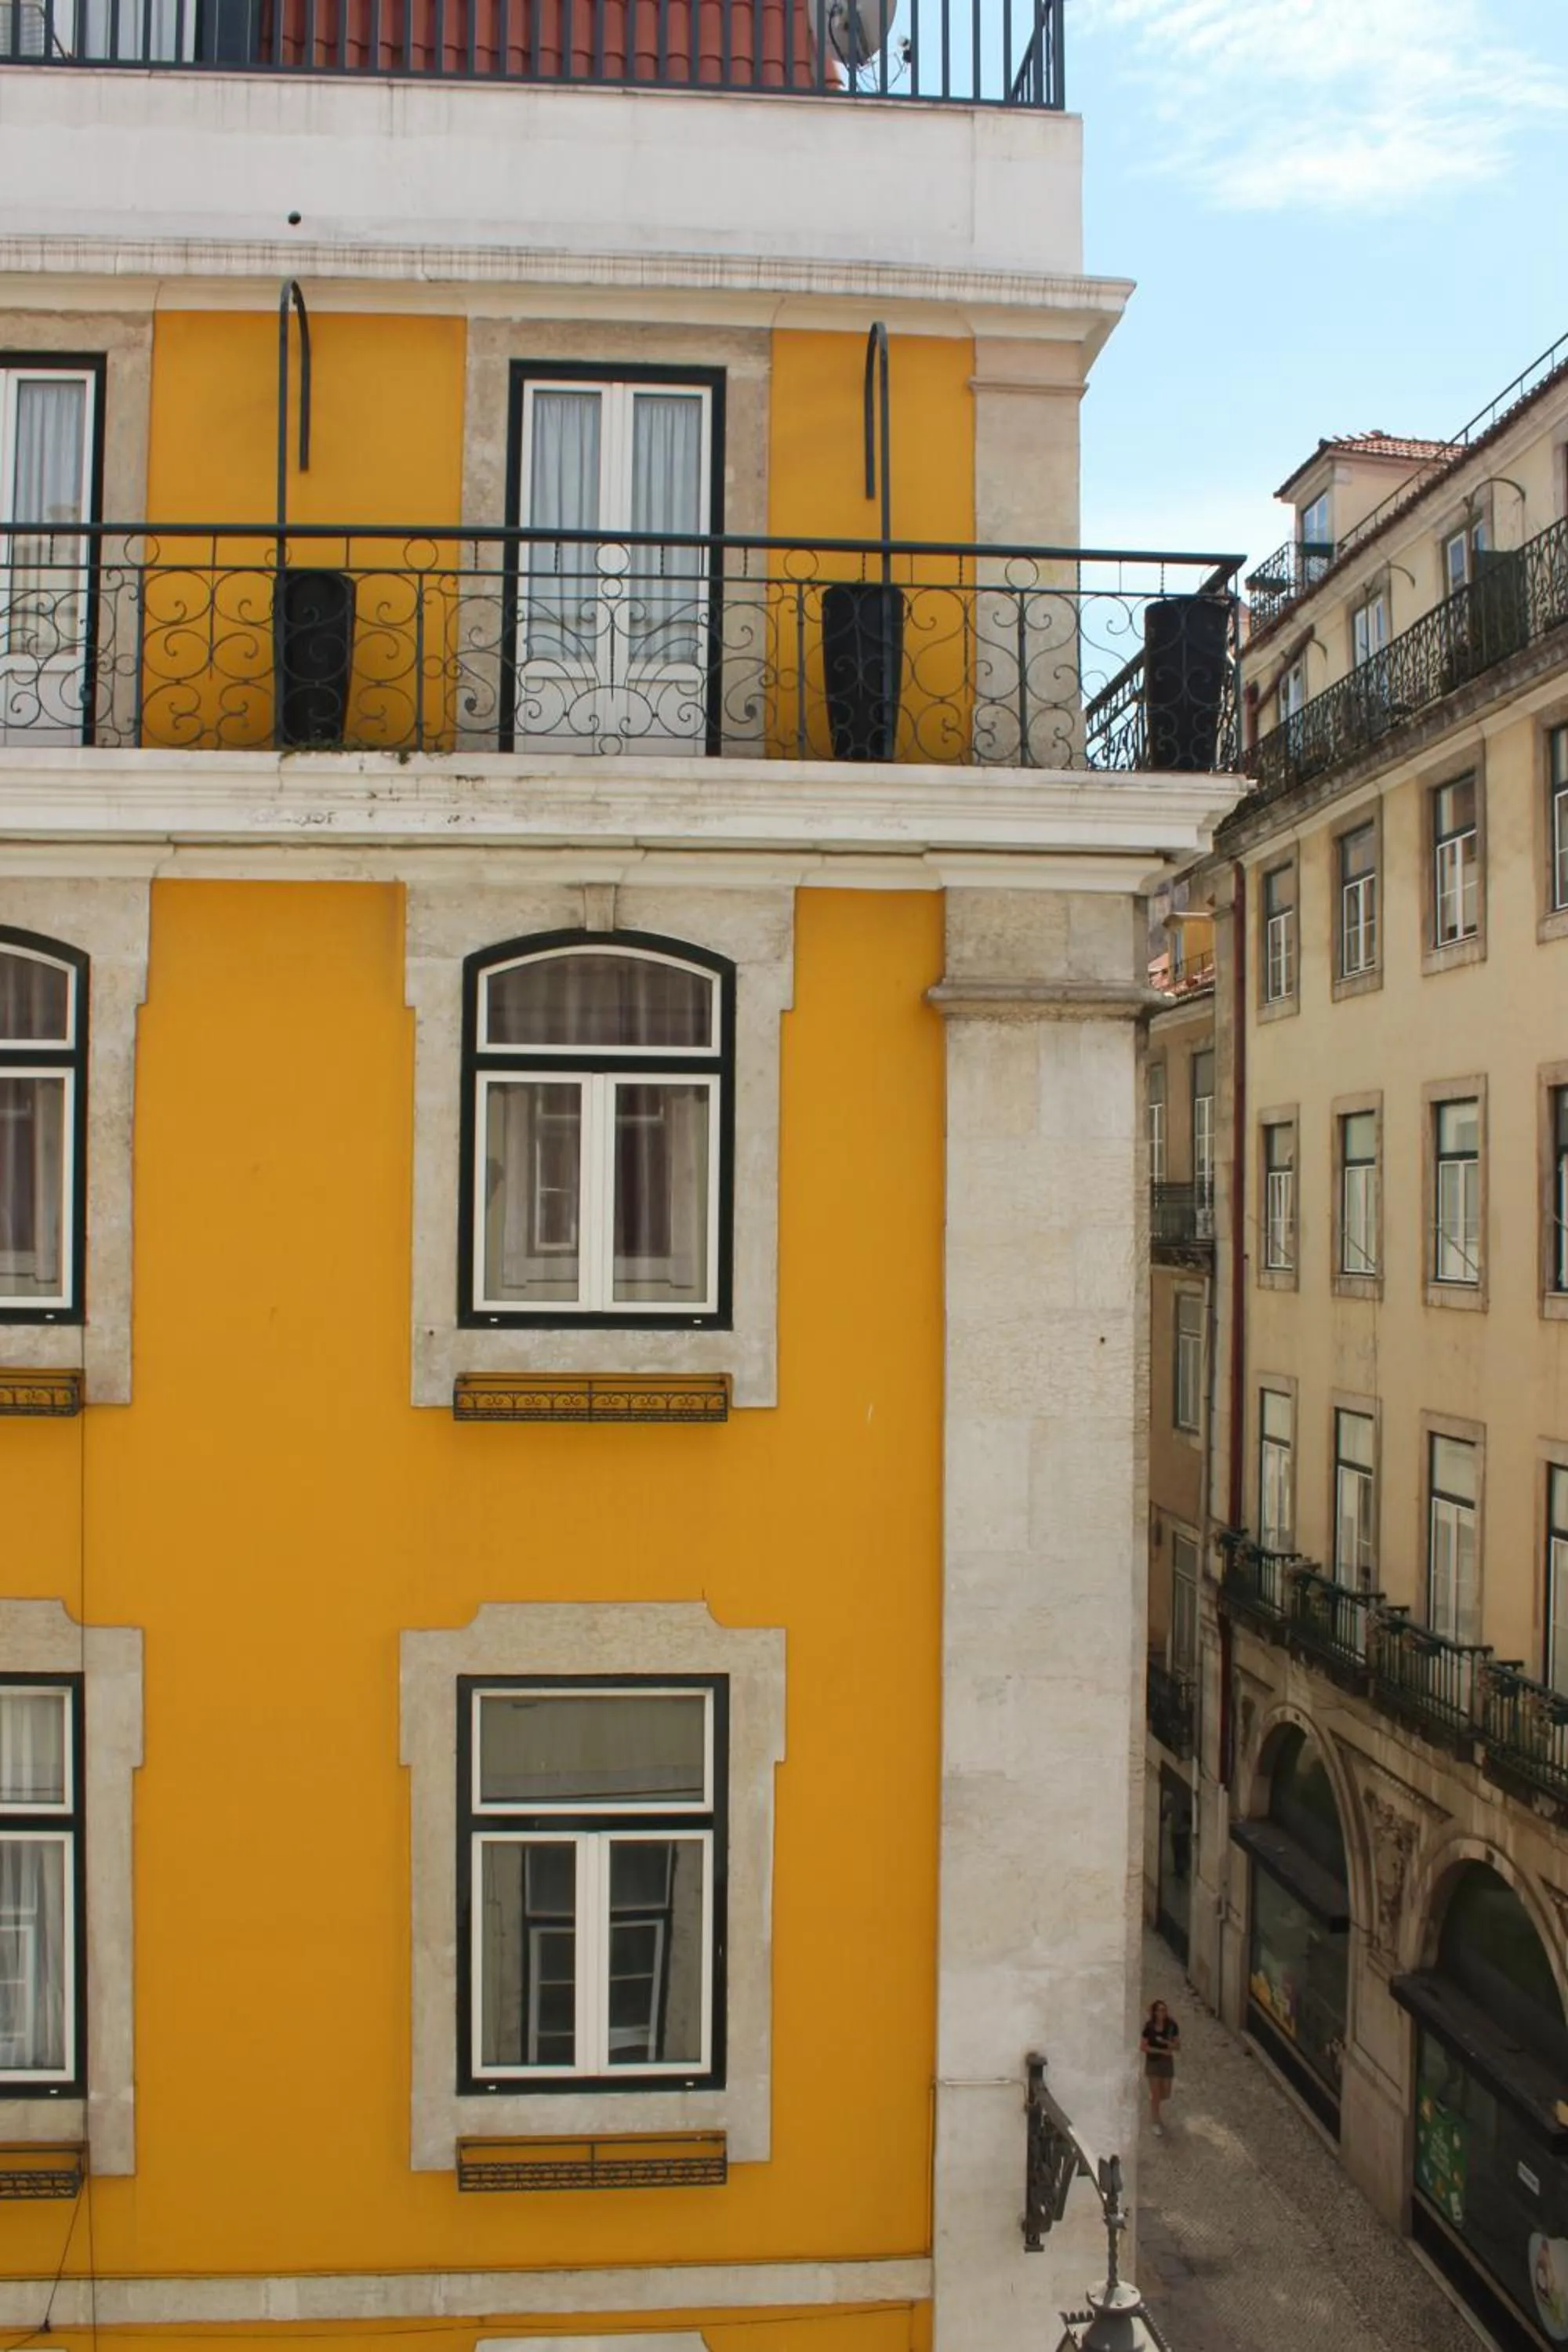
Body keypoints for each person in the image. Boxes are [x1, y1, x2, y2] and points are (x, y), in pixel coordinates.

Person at [1141, 1998, 1181, 2134]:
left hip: (1167, 2062)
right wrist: (1161, 2051)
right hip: (1153, 2062)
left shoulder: (1172, 2026)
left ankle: (1154, 2100)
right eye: (1160, 2010)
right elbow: (1143, 2047)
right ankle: (1156, 2121)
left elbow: (1177, 2046)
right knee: (1157, 2095)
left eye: (1165, 2010)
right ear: (1155, 2012)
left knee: (1166, 2094)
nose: (1163, 2013)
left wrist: (1166, 2042)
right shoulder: (1149, 2027)